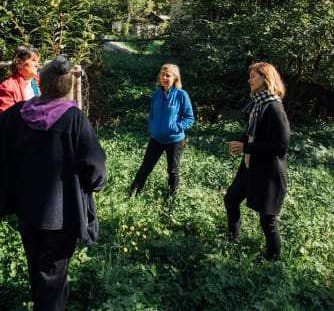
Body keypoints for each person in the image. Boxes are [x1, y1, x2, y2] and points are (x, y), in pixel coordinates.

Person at [0, 55, 106, 310]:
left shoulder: (16, 114)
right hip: (62, 213)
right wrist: (94, 184)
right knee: (54, 276)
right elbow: (95, 167)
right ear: (68, 86)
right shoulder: (74, 119)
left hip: (26, 208)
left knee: (36, 266)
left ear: (41, 82)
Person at [224, 62, 290, 260]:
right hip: (250, 168)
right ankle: (233, 240)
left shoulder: (275, 108)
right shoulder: (258, 104)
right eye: (250, 76)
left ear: (266, 79)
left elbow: (280, 147)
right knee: (231, 200)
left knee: (267, 220)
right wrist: (242, 142)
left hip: (268, 173)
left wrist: (247, 147)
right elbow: (254, 135)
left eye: (254, 76)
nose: (249, 80)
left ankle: (273, 262)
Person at [130, 63, 194, 198]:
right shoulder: (156, 94)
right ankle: (132, 193)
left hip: (174, 140)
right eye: (162, 74)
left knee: (173, 170)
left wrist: (175, 128)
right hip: (156, 139)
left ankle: (171, 200)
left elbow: (189, 118)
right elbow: (152, 114)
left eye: (168, 75)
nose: (164, 78)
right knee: (146, 167)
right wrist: (152, 126)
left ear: (175, 78)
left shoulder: (182, 95)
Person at [0, 45, 40, 112]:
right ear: (19, 62)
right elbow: (7, 118)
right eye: (33, 61)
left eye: (38, 61)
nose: (37, 65)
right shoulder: (7, 88)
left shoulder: (40, 82)